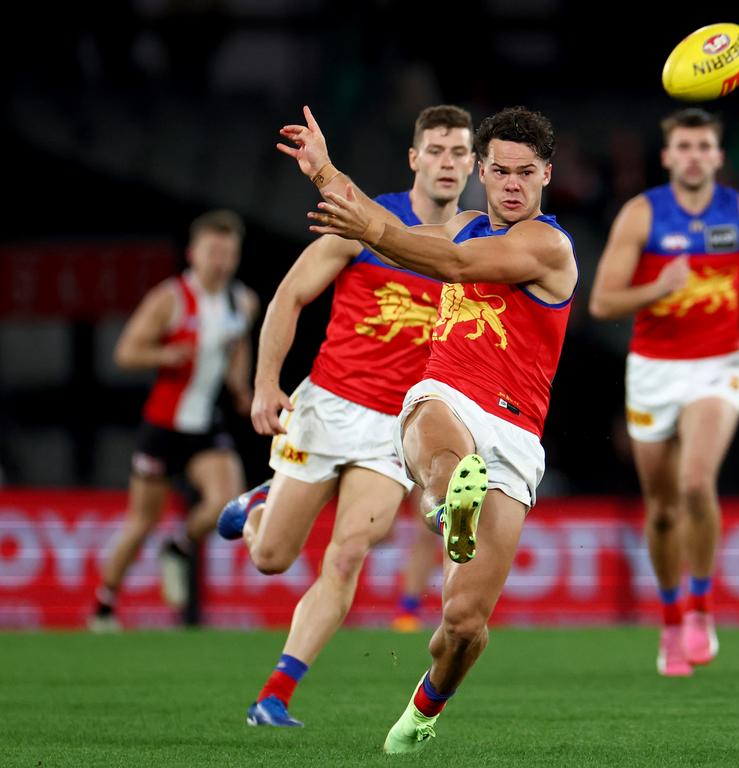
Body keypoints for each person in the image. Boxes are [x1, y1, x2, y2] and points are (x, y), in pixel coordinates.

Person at [279, 103, 577, 753]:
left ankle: (423, 710)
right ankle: (446, 503)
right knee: (431, 417)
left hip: (517, 433)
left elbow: (452, 265)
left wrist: (368, 228)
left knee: (463, 627)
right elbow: (389, 226)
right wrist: (325, 173)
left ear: (546, 176)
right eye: (499, 171)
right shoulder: (466, 224)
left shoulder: (547, 244)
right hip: (449, 395)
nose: (511, 185)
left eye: (526, 173)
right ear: (484, 173)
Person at [217, 106, 475, 727]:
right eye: (435, 150)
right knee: (271, 558)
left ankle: (274, 696)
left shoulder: (477, 241)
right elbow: (289, 296)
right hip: (327, 406)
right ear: (414, 158)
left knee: (347, 554)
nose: (447, 162)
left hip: (394, 426)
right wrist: (264, 383)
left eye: (459, 152)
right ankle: (264, 503)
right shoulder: (365, 221)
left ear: (473, 164)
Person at [589, 108, 739, 676]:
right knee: (661, 512)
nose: (696, 155)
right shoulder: (641, 214)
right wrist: (658, 286)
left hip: (718, 366)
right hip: (653, 369)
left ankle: (701, 607)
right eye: (685, 145)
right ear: (668, 156)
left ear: (719, 156)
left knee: (697, 483)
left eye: (705, 146)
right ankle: (673, 615)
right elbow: (603, 302)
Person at [91, 210, 257, 631]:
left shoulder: (243, 301)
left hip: (205, 424)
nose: (221, 260)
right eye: (213, 251)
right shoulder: (170, 298)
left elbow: (238, 347)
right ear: (192, 253)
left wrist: (241, 387)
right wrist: (164, 355)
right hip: (163, 426)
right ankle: (104, 605)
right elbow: (125, 352)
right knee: (141, 521)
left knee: (228, 500)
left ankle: (179, 547)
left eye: (228, 252)